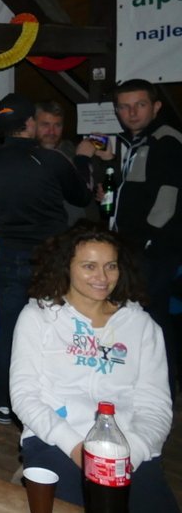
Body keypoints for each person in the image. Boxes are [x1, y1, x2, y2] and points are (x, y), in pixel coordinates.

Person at [10, 222, 178, 511]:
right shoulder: (39, 317)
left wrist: (130, 455)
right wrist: (78, 449)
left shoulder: (141, 325)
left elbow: (156, 405)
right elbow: (25, 396)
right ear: (66, 267)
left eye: (111, 266)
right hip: (57, 439)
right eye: (89, 266)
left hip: (127, 447)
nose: (102, 277)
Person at [0, 93, 93, 426]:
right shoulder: (51, 159)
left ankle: (4, 403)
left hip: (9, 256)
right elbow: (82, 196)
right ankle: (51, 401)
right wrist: (82, 159)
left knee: (12, 332)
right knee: (55, 329)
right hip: (50, 258)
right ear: (30, 123)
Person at [111, 78, 182, 397]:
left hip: (153, 250)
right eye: (125, 106)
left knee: (152, 318)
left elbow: (167, 200)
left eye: (140, 105)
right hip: (135, 246)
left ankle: (161, 390)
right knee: (144, 316)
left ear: (156, 106)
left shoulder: (166, 141)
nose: (132, 112)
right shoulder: (135, 142)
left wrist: (146, 242)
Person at [35, 99, 100, 226]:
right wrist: (82, 159)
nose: (52, 131)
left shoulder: (73, 150)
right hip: (52, 232)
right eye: (45, 125)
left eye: (57, 125)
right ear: (32, 124)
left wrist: (108, 158)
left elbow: (96, 187)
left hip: (85, 229)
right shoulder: (26, 156)